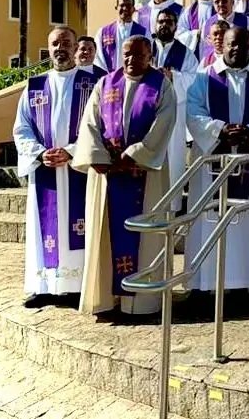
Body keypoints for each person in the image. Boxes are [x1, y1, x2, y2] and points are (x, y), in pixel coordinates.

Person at [73, 35, 176, 316]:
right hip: (107, 175)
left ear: (150, 56)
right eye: (127, 53)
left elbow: (164, 124)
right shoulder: (105, 84)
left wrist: (133, 155)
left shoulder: (161, 85)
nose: (131, 59)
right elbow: (90, 123)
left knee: (146, 237)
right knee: (105, 235)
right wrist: (99, 159)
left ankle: (141, 304)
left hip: (146, 173)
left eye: (139, 54)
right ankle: (107, 300)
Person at [185, 27, 249, 293]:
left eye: (242, 44)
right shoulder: (204, 77)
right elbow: (193, 112)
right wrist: (219, 131)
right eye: (231, 44)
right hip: (211, 162)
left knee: (247, 221)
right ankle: (204, 284)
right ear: (222, 45)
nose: (236, 49)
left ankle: (241, 284)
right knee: (208, 218)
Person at [13, 27, 99, 306]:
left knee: (79, 224)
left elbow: (101, 126)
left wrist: (72, 151)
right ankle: (44, 286)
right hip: (45, 169)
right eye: (54, 44)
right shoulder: (34, 86)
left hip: (79, 169)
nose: (60, 48)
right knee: (44, 227)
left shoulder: (93, 83)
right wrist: (40, 154)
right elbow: (22, 128)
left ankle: (78, 286)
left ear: (75, 47)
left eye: (66, 43)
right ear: (48, 48)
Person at [151, 9, 198, 206]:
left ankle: (172, 207)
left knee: (173, 157)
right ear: (155, 25)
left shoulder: (185, 53)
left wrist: (173, 76)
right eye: (161, 21)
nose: (164, 25)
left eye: (169, 22)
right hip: (148, 113)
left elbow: (193, 80)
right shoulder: (146, 47)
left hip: (174, 113)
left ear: (175, 26)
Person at [94, 0, 148, 72]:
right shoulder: (103, 32)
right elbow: (98, 57)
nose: (125, 8)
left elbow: (148, 57)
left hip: (135, 76)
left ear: (133, 9)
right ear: (116, 7)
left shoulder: (144, 33)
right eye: (122, 5)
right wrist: (108, 76)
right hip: (110, 77)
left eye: (128, 6)